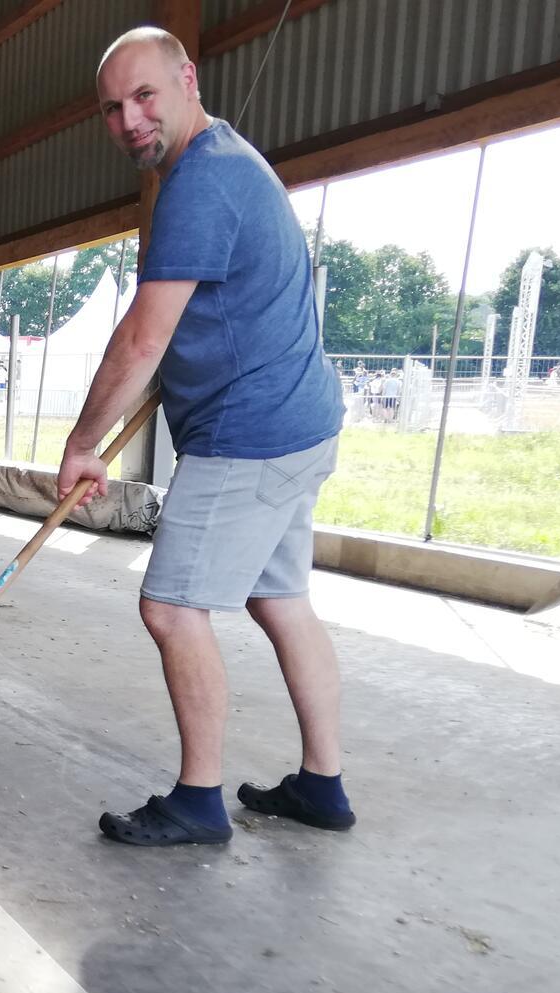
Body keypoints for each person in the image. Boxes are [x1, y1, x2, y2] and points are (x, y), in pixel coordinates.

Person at [56, 27, 353, 846]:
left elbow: (142, 339)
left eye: (144, 95)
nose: (129, 120)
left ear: (187, 79)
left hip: (251, 433)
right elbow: (193, 329)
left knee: (172, 608)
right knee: (280, 597)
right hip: (299, 421)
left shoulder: (201, 184)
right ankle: (322, 786)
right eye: (113, 108)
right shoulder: (227, 163)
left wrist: (83, 443)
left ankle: (198, 802)